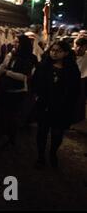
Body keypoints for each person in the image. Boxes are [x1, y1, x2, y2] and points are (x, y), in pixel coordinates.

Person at [32, 41, 81, 169]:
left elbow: (75, 89)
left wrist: (69, 104)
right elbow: (35, 82)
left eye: (58, 50)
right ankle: (41, 156)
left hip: (62, 107)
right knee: (42, 132)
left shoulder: (72, 69)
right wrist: (37, 96)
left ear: (65, 53)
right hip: (44, 105)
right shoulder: (44, 66)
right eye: (52, 50)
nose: (54, 53)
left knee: (57, 133)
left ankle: (53, 153)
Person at [0, 34, 37, 149]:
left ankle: (11, 137)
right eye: (15, 42)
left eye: (17, 42)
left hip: (18, 91)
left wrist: (7, 73)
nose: (14, 44)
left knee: (13, 115)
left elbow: (24, 76)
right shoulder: (12, 54)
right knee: (3, 113)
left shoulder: (30, 58)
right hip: (5, 89)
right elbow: (3, 66)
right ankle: (3, 133)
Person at [74, 37, 87, 123]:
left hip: (83, 81)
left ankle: (78, 120)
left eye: (82, 46)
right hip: (71, 80)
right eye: (77, 46)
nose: (78, 48)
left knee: (81, 100)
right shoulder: (70, 56)